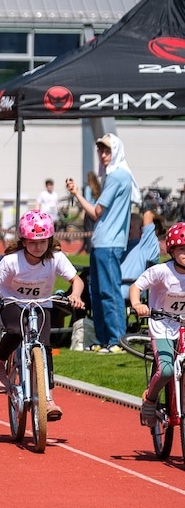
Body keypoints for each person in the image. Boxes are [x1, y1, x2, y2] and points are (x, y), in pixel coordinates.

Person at [0, 211, 85, 419]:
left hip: (41, 304)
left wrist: (75, 295)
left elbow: (77, 280)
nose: (38, 247)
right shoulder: (12, 260)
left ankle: (48, 399)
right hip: (13, 301)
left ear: (50, 240)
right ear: (24, 241)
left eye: (43, 242)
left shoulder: (55, 258)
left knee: (44, 348)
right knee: (15, 332)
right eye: (32, 242)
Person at [69, 133, 136, 353]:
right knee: (98, 292)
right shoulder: (117, 175)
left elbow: (96, 212)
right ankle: (105, 339)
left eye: (107, 150)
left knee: (107, 292)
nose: (103, 155)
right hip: (104, 242)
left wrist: (77, 194)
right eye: (100, 150)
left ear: (116, 151)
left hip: (108, 243)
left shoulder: (117, 176)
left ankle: (116, 340)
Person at [130, 222, 185, 427]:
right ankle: (150, 399)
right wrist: (137, 304)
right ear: (172, 250)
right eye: (182, 249)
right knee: (167, 371)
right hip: (163, 327)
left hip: (183, 326)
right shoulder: (162, 271)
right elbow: (136, 286)